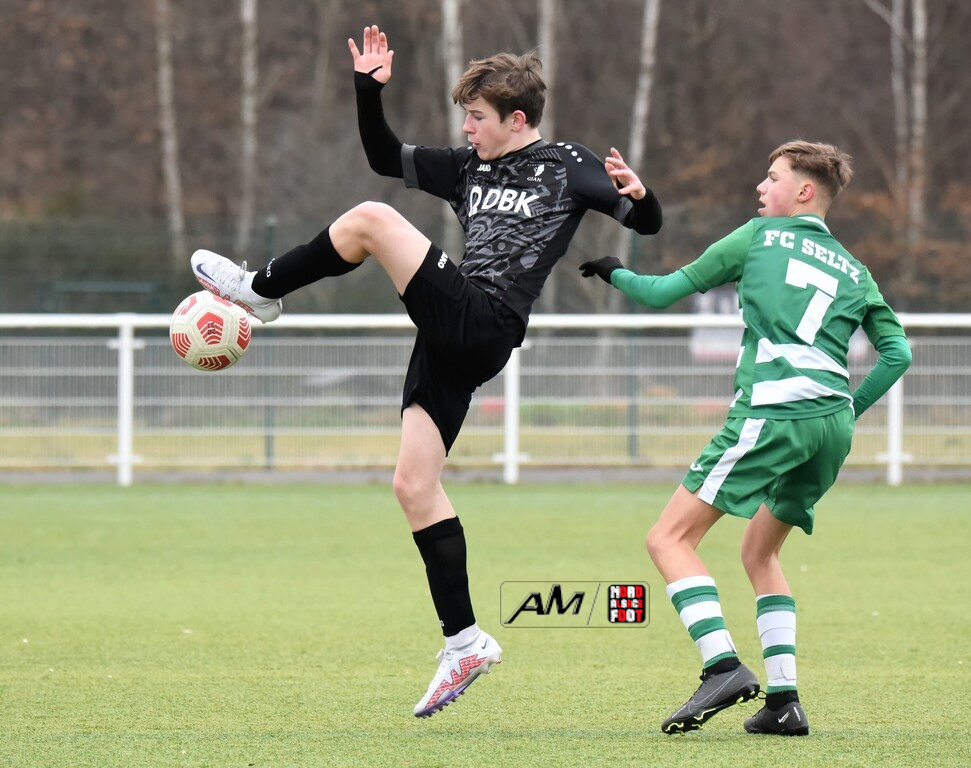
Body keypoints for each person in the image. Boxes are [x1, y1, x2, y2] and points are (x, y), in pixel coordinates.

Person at [191, 25, 662, 718]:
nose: (467, 129)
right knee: (413, 486)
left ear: (517, 119)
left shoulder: (568, 165)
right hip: (449, 333)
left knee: (373, 220)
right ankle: (465, 641)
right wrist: (367, 90)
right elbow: (384, 155)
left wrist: (641, 197)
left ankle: (258, 291)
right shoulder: (467, 166)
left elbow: (646, 223)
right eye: (465, 116)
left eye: (477, 117)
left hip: (486, 319)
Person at [580, 140, 911, 735]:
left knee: (668, 539)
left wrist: (614, 272)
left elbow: (661, 292)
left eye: (772, 177)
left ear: (803, 191)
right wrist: (847, 409)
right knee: (760, 552)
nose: (761, 187)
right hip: (831, 428)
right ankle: (784, 702)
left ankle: (722, 667)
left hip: (773, 412)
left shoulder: (758, 236)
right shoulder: (855, 270)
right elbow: (897, 354)